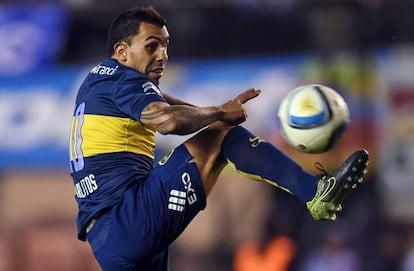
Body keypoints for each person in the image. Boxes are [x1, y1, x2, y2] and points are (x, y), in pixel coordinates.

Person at [68, 6, 369, 271]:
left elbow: (167, 105)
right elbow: (168, 120)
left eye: (165, 45)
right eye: (151, 46)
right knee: (224, 137)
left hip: (106, 238)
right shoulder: (126, 80)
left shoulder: (99, 80)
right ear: (122, 52)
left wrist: (219, 112)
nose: (162, 56)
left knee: (219, 129)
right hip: (127, 220)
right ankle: (315, 192)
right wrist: (219, 115)